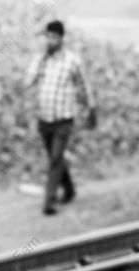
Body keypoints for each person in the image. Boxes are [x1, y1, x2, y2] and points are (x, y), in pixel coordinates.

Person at [25, 19, 96, 216]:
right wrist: (41, 60)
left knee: (56, 159)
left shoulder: (72, 61)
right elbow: (28, 81)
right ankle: (70, 189)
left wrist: (91, 108)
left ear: (61, 39)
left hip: (63, 120)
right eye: (48, 37)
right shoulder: (41, 59)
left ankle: (49, 201)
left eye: (54, 37)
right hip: (44, 118)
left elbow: (84, 86)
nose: (51, 40)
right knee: (54, 157)